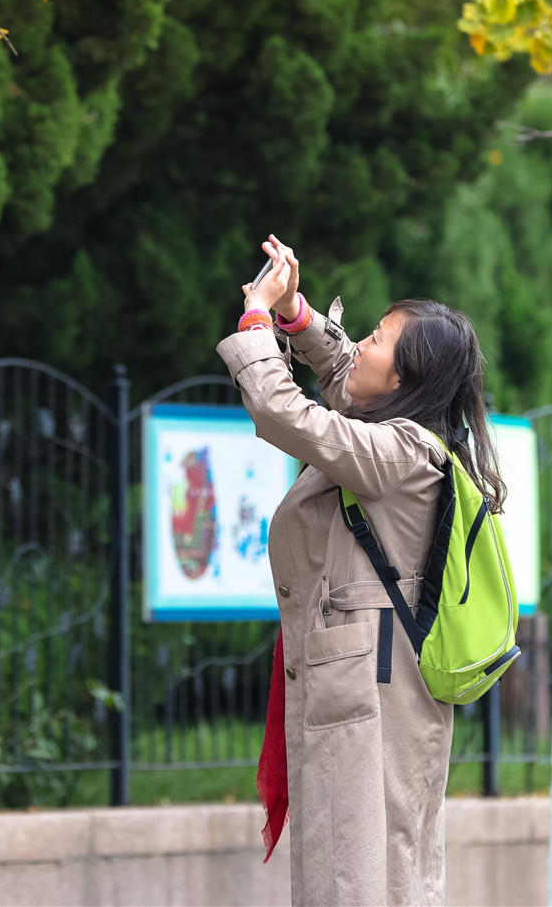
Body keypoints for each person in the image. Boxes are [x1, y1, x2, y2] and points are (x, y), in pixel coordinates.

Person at [216, 234, 505, 907]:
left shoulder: (402, 454)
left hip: (374, 698)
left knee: (365, 873)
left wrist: (258, 319)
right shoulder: (412, 434)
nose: (363, 344)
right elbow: (348, 374)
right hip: (371, 687)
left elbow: (291, 416)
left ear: (404, 380)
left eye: (377, 338)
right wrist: (296, 316)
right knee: (365, 864)